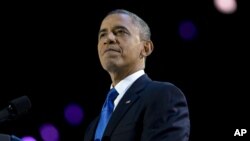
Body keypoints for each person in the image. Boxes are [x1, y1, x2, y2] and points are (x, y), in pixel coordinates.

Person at [84, 9, 190, 141]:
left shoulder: (163, 96)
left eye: (120, 32)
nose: (109, 39)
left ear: (146, 48)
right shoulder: (93, 126)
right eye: (102, 35)